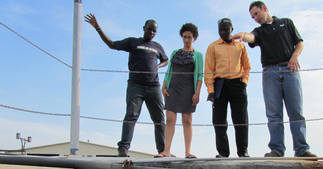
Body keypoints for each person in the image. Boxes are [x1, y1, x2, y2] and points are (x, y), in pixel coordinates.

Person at [232, 1, 317, 158]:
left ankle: (302, 149)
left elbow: (299, 43)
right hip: (270, 72)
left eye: (256, 14)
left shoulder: (286, 23)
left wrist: (294, 57)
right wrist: (243, 35)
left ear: (264, 9)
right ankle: (277, 150)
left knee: (296, 111)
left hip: (290, 70)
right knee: (273, 114)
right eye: (252, 17)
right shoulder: (259, 31)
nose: (255, 18)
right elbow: (252, 37)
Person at [84, 14, 169, 157]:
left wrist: (158, 66)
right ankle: (123, 148)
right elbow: (112, 44)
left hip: (153, 86)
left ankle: (163, 151)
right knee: (131, 115)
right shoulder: (133, 42)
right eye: (149, 30)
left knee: (159, 119)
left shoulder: (157, 46)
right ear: (144, 28)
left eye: (154, 31)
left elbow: (166, 60)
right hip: (136, 85)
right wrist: (98, 28)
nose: (152, 33)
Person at [204, 18, 251, 158]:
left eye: (226, 29)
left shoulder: (241, 46)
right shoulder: (213, 47)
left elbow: (247, 67)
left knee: (241, 119)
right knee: (219, 120)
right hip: (220, 85)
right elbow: (208, 71)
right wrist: (210, 91)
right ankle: (223, 153)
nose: (223, 32)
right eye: (221, 30)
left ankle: (243, 152)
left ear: (232, 29)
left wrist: (244, 82)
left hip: (238, 85)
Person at [156, 23, 203, 159]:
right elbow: (169, 71)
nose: (186, 40)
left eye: (189, 37)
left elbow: (199, 75)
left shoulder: (198, 55)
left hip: (189, 89)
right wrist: (163, 87)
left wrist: (197, 92)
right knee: (170, 118)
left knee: (187, 120)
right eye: (184, 37)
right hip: (173, 88)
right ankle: (166, 151)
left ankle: (187, 152)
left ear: (194, 38)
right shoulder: (175, 53)